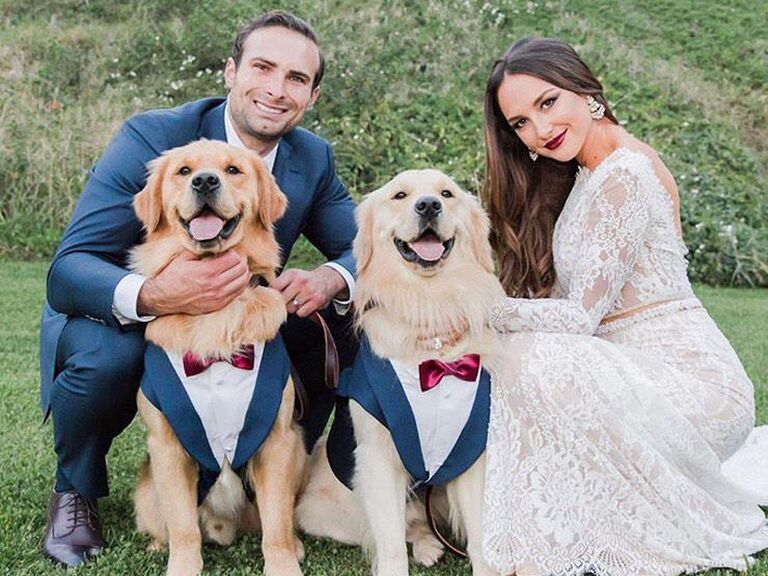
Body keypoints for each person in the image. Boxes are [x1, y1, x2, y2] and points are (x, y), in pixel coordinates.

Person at [38, 10, 358, 567]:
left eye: (296, 79)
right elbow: (70, 267)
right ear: (231, 72)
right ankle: (75, 491)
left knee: (341, 315)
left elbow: (364, 246)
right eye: (263, 67)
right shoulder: (152, 137)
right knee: (110, 357)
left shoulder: (312, 156)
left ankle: (276, 476)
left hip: (245, 309)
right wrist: (157, 294)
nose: (277, 90)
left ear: (310, 96)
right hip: (124, 312)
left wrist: (332, 276)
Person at [480, 37, 768, 576]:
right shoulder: (593, 172)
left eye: (548, 103)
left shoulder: (625, 174)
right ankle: (545, 523)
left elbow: (580, 319)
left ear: (585, 89)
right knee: (522, 353)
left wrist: (481, 310)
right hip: (632, 370)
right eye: (520, 122)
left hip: (694, 384)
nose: (539, 130)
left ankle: (539, 537)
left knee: (531, 354)